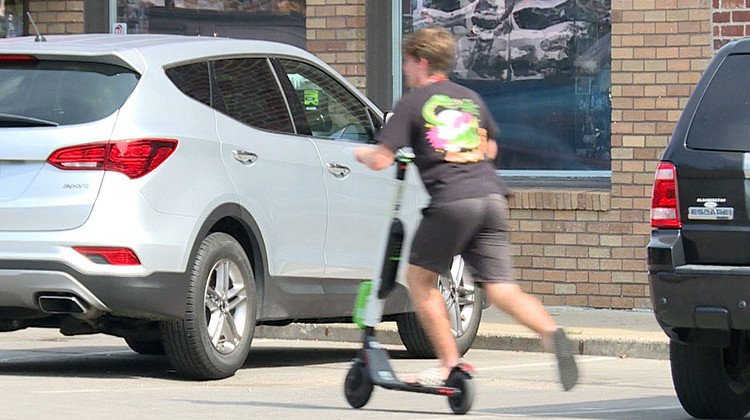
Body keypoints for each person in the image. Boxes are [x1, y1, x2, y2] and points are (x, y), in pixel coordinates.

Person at [354, 27, 578, 390]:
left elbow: (382, 159)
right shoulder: (470, 98)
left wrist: (362, 153)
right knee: (503, 289)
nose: (406, 69)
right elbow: (488, 149)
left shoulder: (412, 102)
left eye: (408, 62)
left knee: (420, 281)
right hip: (491, 198)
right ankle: (552, 334)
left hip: (453, 201)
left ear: (422, 62)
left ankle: (449, 363)